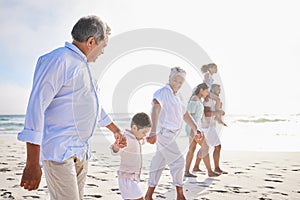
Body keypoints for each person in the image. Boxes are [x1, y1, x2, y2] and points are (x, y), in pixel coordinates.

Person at [17, 15, 127, 200]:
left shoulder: (84, 69)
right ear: (91, 41)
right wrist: (32, 162)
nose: (102, 51)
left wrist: (115, 130)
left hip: (81, 152)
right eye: (103, 45)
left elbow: (94, 108)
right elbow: (36, 107)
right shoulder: (59, 59)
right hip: (59, 151)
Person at [145, 67, 204, 200]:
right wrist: (153, 131)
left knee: (158, 164)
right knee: (178, 162)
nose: (177, 83)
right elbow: (155, 108)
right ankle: (180, 195)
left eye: (181, 81)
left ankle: (148, 195)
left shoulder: (178, 96)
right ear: (170, 79)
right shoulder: (162, 92)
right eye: (175, 80)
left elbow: (185, 114)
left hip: (172, 134)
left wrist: (195, 128)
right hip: (163, 133)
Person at [111, 112, 152, 200]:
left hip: (132, 178)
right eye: (144, 132)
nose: (144, 135)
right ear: (134, 128)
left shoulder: (137, 138)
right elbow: (115, 151)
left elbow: (143, 140)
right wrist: (116, 147)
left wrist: (149, 139)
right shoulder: (126, 138)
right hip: (127, 179)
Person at [184, 83, 219, 177]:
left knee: (192, 149)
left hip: (196, 127)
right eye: (206, 91)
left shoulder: (198, 99)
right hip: (193, 128)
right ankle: (210, 171)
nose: (207, 93)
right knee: (205, 147)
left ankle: (187, 172)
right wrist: (194, 129)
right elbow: (189, 115)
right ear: (201, 90)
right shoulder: (194, 99)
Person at [193, 84, 227, 175]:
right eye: (217, 89)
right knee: (217, 146)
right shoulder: (208, 100)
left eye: (220, 89)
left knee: (205, 148)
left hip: (208, 126)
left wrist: (219, 118)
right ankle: (216, 168)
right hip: (206, 127)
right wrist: (218, 112)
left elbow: (213, 115)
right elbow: (207, 113)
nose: (219, 91)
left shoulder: (214, 101)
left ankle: (196, 167)